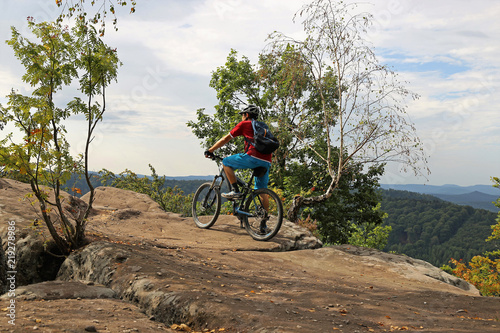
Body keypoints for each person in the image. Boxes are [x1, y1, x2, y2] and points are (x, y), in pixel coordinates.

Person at [204, 104, 272, 201]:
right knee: (261, 190)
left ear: (247, 115)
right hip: (267, 160)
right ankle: (264, 215)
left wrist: (210, 150)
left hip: (252, 157)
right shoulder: (263, 126)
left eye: (242, 115)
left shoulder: (244, 124)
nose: (242, 117)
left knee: (226, 162)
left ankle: (236, 190)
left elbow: (225, 139)